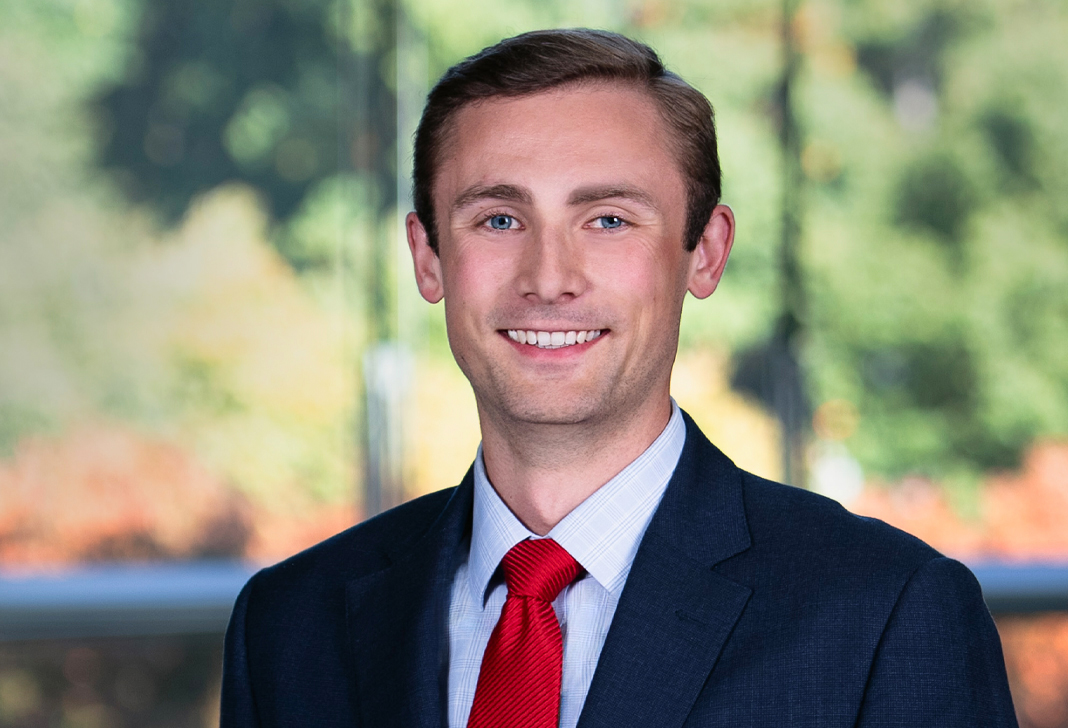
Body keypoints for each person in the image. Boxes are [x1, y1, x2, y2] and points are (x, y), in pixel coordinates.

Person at [221, 28, 1018, 728]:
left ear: (706, 253)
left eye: (607, 219)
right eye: (499, 219)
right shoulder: (289, 626)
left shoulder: (884, 615)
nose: (549, 277)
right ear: (429, 259)